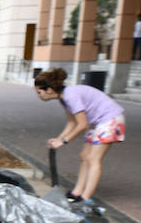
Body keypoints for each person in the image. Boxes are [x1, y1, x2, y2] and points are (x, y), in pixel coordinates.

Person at [34, 67, 125, 206]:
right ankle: (77, 192)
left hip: (110, 119)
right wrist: (58, 139)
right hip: (97, 122)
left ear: (49, 90)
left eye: (39, 92)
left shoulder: (70, 96)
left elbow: (82, 125)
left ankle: (85, 198)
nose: (39, 95)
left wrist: (63, 141)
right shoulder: (63, 98)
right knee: (84, 156)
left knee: (93, 159)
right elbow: (72, 122)